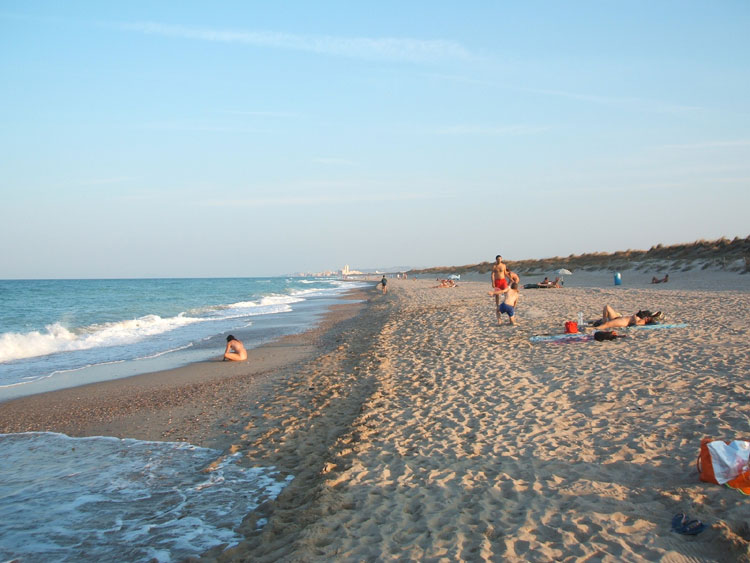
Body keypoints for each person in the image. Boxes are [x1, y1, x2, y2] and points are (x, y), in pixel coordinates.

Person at [588, 306, 661, 330]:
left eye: (648, 319)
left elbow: (636, 324)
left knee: (607, 324)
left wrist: (635, 318)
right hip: (619, 317)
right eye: (647, 317)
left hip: (624, 322)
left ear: (648, 321)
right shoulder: (642, 318)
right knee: (607, 307)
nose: (646, 318)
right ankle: (603, 321)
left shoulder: (642, 322)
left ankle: (591, 328)